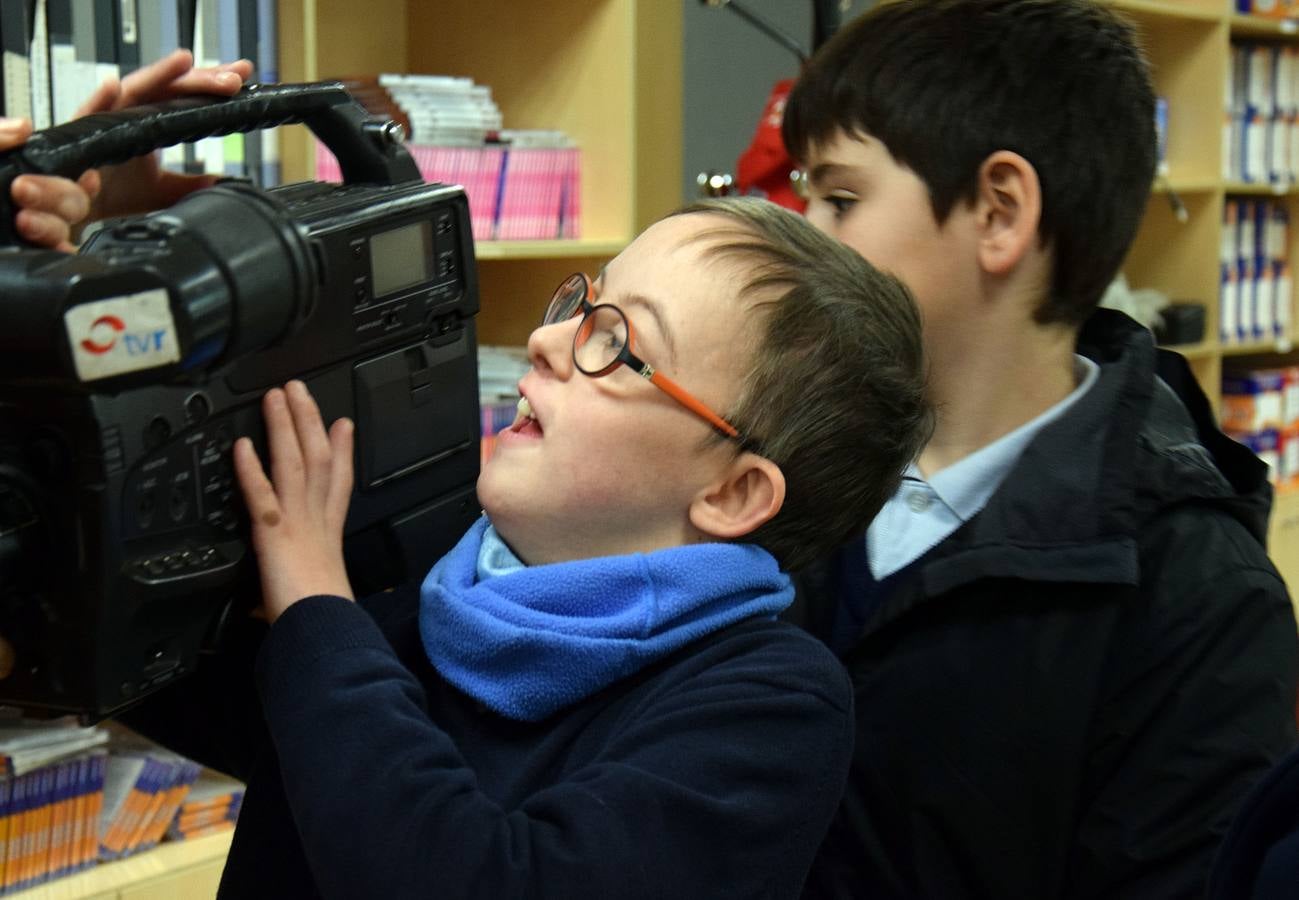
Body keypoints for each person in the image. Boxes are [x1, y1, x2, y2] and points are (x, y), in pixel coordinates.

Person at [778, 1, 1299, 897]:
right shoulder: (780, 461)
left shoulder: (1197, 598)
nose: (801, 243)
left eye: (840, 200)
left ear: (998, 211)